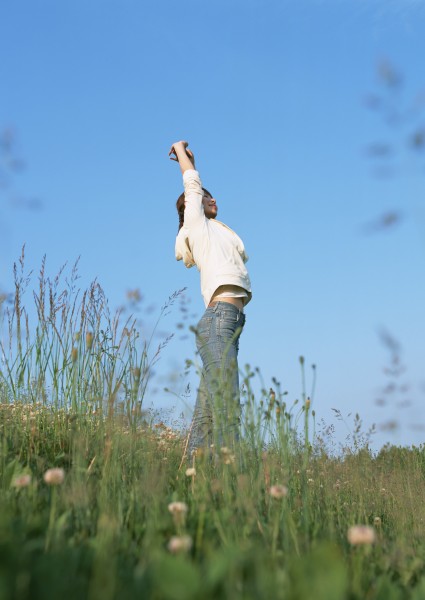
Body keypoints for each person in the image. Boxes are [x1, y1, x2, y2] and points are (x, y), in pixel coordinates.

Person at [169, 140, 252, 461]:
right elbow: (192, 185)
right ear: (193, 206)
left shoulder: (215, 231)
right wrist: (183, 155)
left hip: (230, 323)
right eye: (205, 196)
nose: (211, 198)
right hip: (218, 320)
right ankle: (231, 480)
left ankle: (189, 477)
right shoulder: (196, 227)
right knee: (227, 403)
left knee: (206, 415)